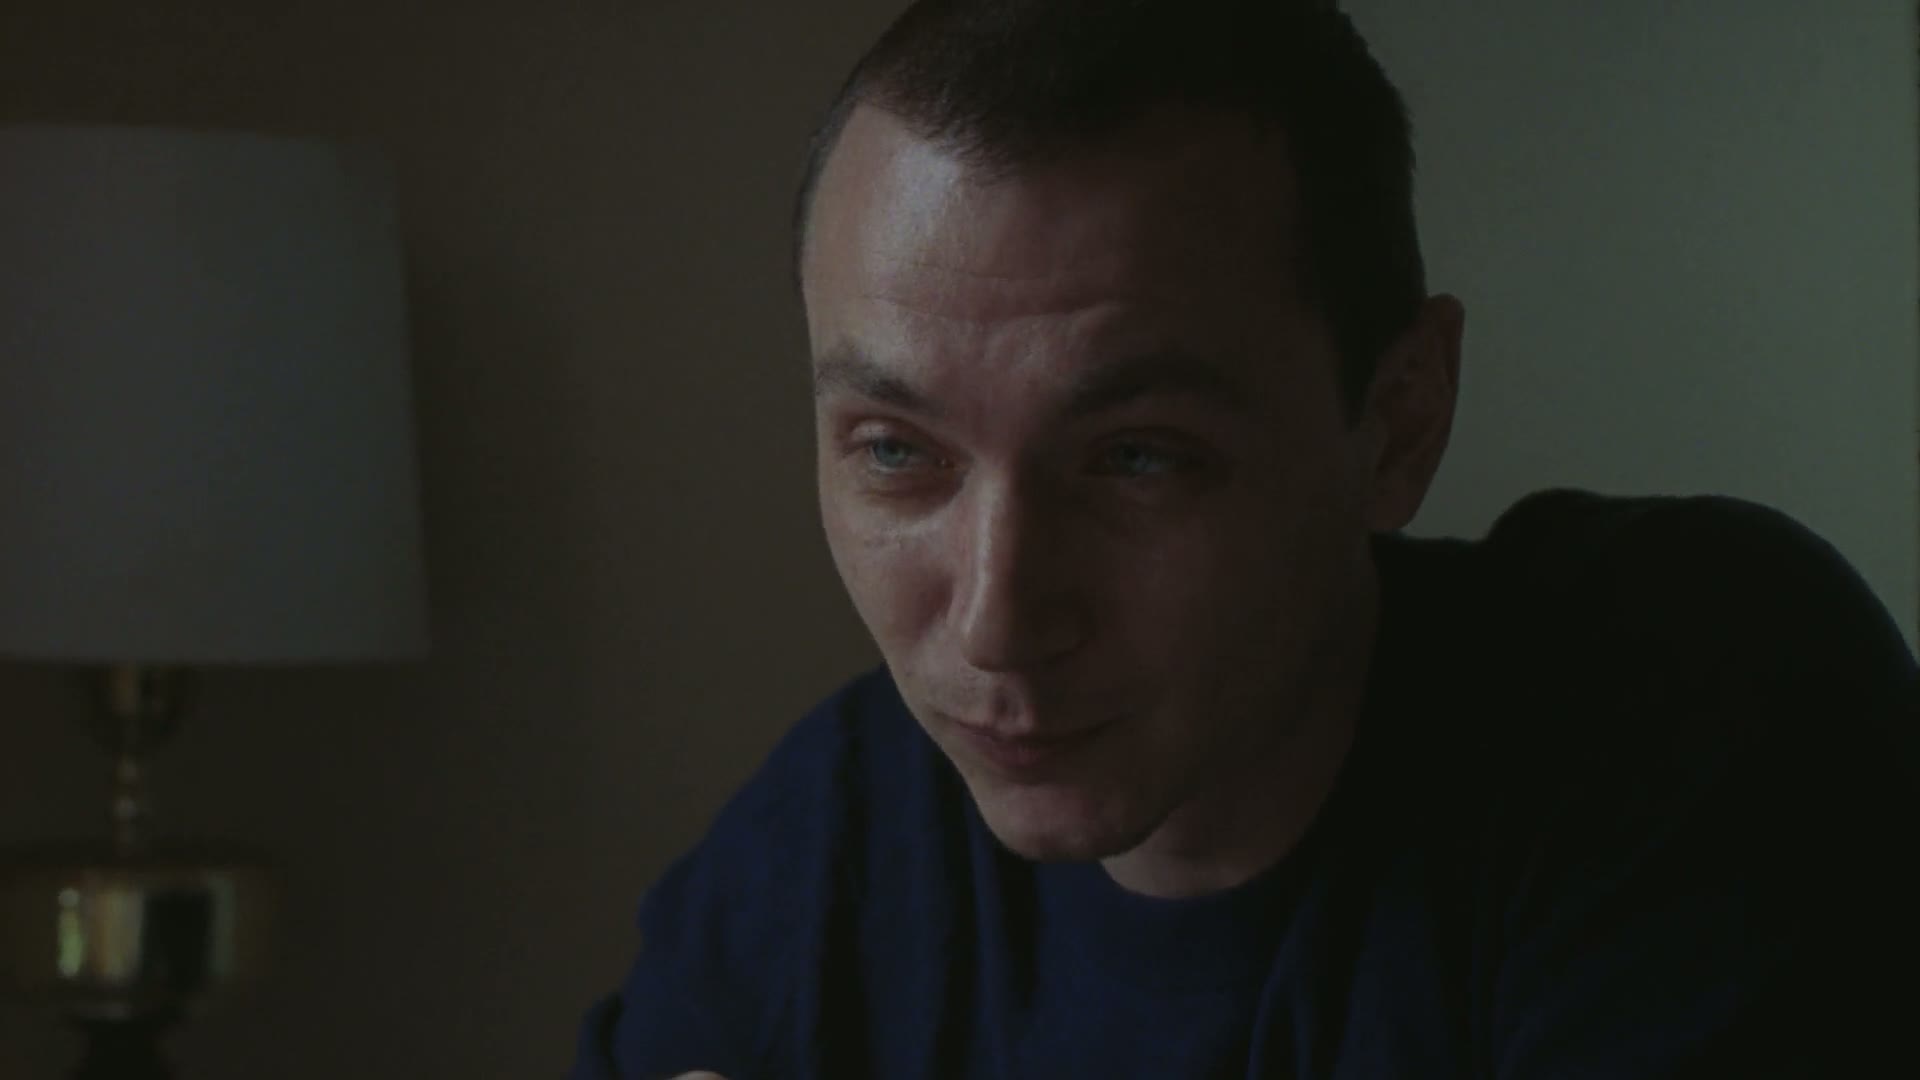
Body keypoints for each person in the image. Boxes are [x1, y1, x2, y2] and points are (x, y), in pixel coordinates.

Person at [568, 1, 1920, 1076]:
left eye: (1137, 458)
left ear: (1398, 421)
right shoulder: (829, 841)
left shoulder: (1687, 696)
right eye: (896, 453)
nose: (994, 621)